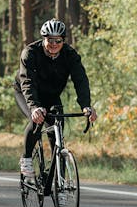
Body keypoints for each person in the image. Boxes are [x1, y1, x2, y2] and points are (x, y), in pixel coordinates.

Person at [14, 18, 98, 178]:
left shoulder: (70, 55)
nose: (54, 44)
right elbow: (27, 83)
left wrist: (86, 106)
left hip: (51, 96)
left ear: (63, 41)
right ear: (43, 39)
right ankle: (26, 158)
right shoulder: (30, 53)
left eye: (58, 40)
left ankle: (58, 180)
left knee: (57, 131)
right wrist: (34, 107)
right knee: (37, 120)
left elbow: (81, 80)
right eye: (49, 40)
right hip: (26, 93)